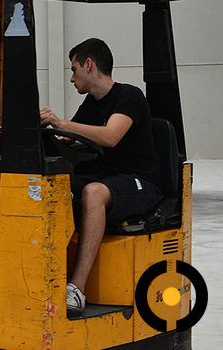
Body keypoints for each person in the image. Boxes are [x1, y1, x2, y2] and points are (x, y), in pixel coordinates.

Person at [39, 38, 163, 316]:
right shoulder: (91, 104)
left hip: (141, 183)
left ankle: (76, 289)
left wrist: (62, 123)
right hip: (109, 178)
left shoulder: (129, 96)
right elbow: (69, 136)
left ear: (89, 64)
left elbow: (110, 136)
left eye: (74, 69)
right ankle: (45, 272)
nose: (72, 78)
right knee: (52, 185)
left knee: (93, 192)